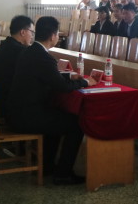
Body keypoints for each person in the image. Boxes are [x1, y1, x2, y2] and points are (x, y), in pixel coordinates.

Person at [8, 16, 91, 185]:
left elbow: (49, 76)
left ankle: (48, 166)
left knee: (58, 117)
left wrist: (69, 76)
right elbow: (63, 87)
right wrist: (85, 82)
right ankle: (63, 174)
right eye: (57, 34)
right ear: (53, 36)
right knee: (76, 123)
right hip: (27, 117)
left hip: (18, 111)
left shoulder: (30, 51)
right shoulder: (43, 57)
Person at [0, 15, 34, 119]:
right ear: (23, 32)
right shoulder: (20, 51)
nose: (32, 36)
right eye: (31, 32)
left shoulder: (5, 45)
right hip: (7, 107)